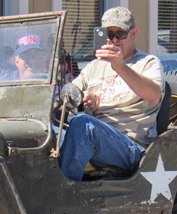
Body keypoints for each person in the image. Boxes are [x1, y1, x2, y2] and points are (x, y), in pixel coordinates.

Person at [58, 7, 164, 181]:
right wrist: (84, 97)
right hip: (96, 137)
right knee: (45, 132)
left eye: (120, 34)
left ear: (133, 33)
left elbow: (154, 95)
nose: (114, 40)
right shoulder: (95, 66)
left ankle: (62, 195)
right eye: (109, 34)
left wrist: (120, 66)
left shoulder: (148, 63)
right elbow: (69, 94)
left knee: (85, 126)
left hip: (131, 146)